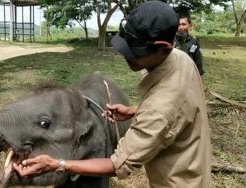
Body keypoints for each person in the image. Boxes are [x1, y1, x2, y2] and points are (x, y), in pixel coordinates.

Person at [12, 1, 212, 187]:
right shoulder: (182, 59)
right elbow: (178, 109)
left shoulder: (159, 110)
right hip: (194, 164)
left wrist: (59, 164)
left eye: (135, 50)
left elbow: (118, 165)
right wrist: (136, 111)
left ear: (163, 49)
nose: (125, 54)